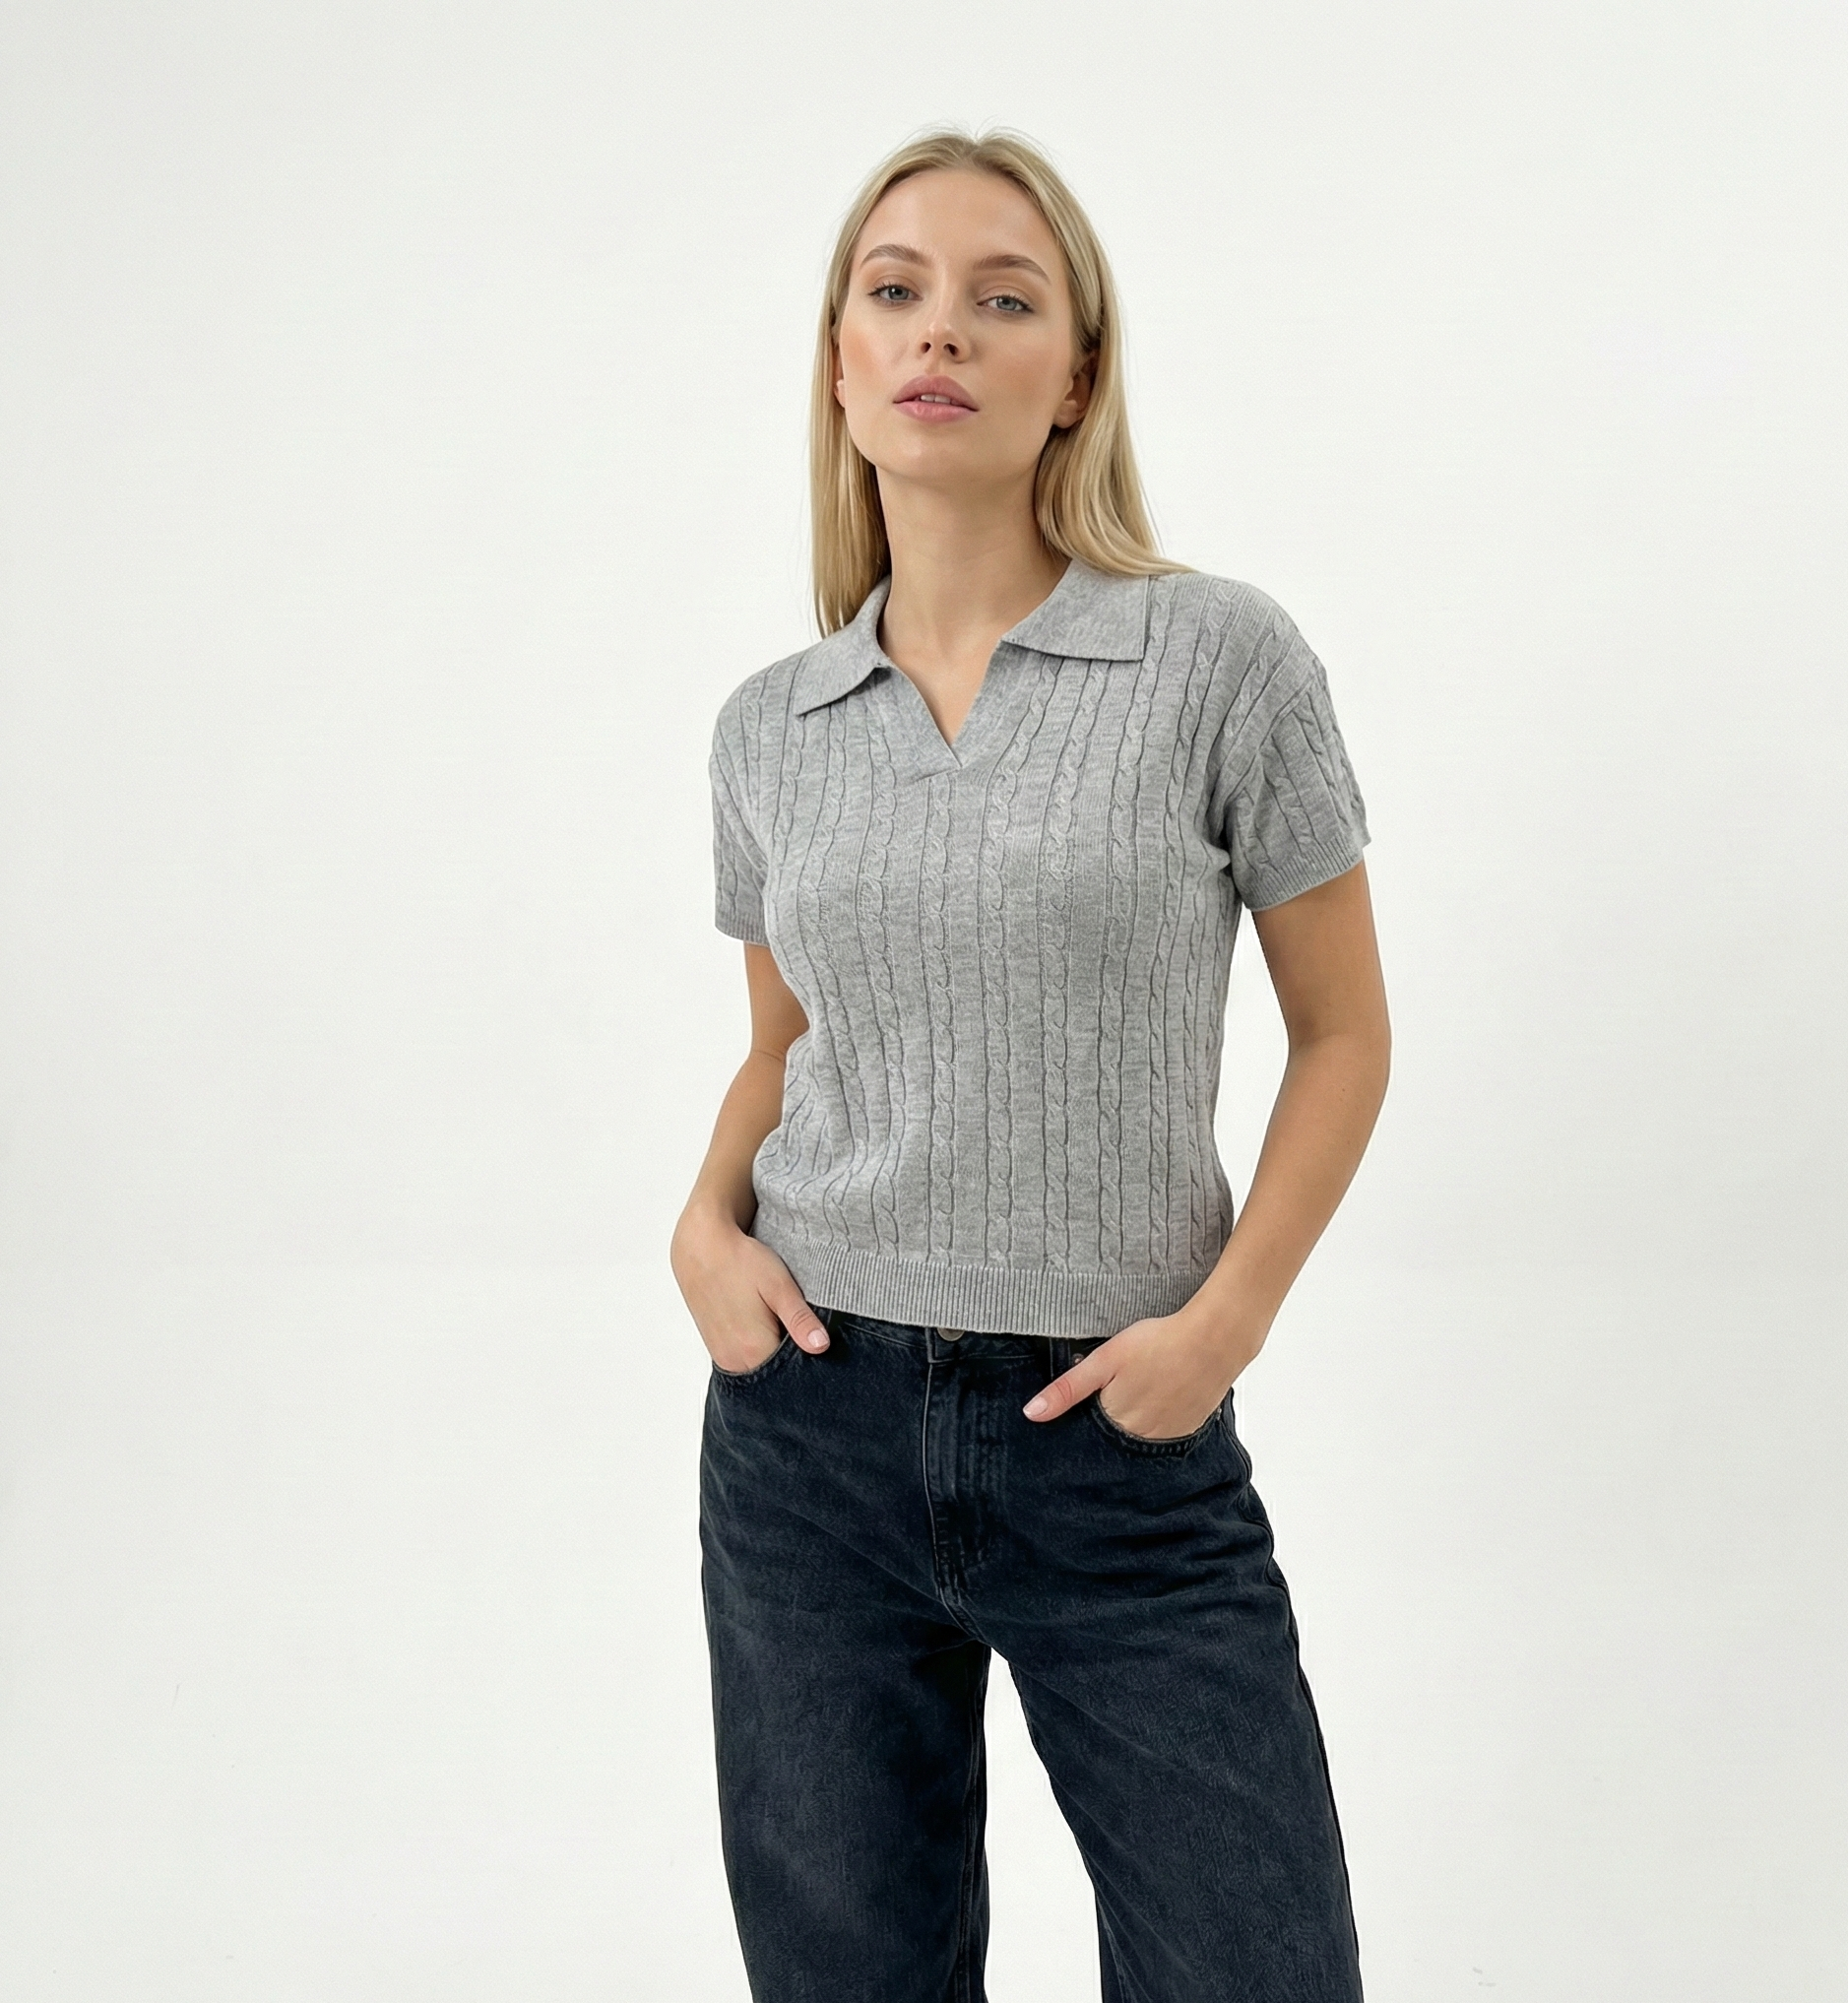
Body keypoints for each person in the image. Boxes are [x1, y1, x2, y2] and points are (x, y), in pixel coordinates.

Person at [669, 125, 1390, 2003]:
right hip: (807, 1430)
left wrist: (1224, 1325)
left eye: (1003, 300)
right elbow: (785, 1044)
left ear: (1075, 375)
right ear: (842, 362)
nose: (942, 332)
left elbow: (1344, 1032)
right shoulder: (771, 726)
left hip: (1118, 1439)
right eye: (895, 292)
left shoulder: (1218, 662)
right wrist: (698, 1224)